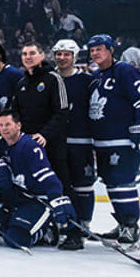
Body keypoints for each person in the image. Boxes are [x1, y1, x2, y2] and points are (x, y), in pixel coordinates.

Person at [87, 33, 140, 244]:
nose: (95, 53)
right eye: (92, 50)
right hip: (102, 142)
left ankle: (131, 226)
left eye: (99, 49)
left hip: (122, 141)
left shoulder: (124, 71)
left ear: (111, 50)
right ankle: (122, 223)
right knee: (111, 183)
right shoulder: (96, 77)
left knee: (122, 183)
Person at [0, 109, 80, 250]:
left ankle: (48, 229)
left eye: (8, 124)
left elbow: (46, 175)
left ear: (18, 125)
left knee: (16, 239)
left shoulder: (29, 146)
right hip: (16, 195)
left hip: (35, 199)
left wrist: (56, 197)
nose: (4, 129)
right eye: (1, 125)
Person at [12, 42, 73, 240]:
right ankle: (44, 227)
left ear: (41, 56)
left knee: (59, 186)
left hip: (52, 145)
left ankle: (69, 230)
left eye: (32, 53)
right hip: (27, 147)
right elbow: (15, 116)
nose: (28, 57)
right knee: (32, 188)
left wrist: (45, 134)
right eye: (24, 54)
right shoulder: (21, 83)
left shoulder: (53, 79)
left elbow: (62, 112)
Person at [52, 38, 97, 239]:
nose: (62, 58)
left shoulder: (87, 81)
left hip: (81, 142)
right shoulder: (50, 79)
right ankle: (62, 224)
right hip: (56, 142)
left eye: (67, 54)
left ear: (75, 57)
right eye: (59, 54)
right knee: (59, 185)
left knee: (83, 185)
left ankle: (84, 224)